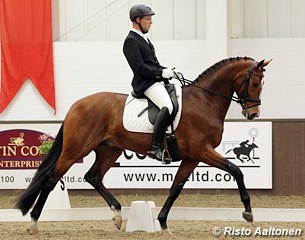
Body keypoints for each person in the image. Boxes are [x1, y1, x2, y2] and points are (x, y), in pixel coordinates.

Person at [123, 4, 178, 163]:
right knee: (168, 106)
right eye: (148, 19)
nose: (151, 22)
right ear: (138, 20)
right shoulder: (131, 41)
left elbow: (153, 63)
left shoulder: (144, 39)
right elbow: (139, 67)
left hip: (154, 80)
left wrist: (166, 70)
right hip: (145, 84)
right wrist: (160, 73)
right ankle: (155, 148)